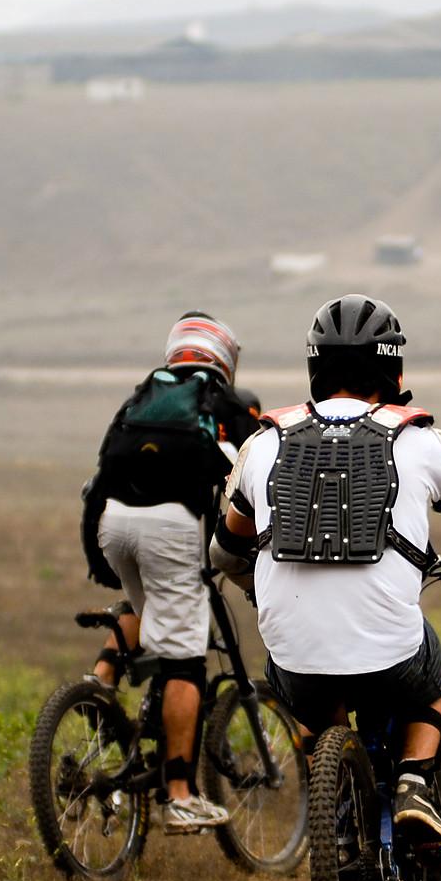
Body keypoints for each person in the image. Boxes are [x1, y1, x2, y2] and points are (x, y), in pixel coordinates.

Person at [210, 294, 441, 855]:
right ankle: (413, 788)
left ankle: (339, 808)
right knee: (432, 686)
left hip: (294, 654)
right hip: (392, 658)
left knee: (312, 700)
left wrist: (263, 592)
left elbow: (226, 551)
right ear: (393, 368)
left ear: (315, 368)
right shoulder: (421, 439)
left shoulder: (262, 442)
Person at [79, 310, 261, 831]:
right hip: (172, 527)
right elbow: (256, 476)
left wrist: (99, 561)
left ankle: (101, 680)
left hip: (114, 524)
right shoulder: (222, 402)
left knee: (148, 606)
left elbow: (99, 478)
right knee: (185, 660)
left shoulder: (142, 398)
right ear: (223, 356)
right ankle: (180, 792)